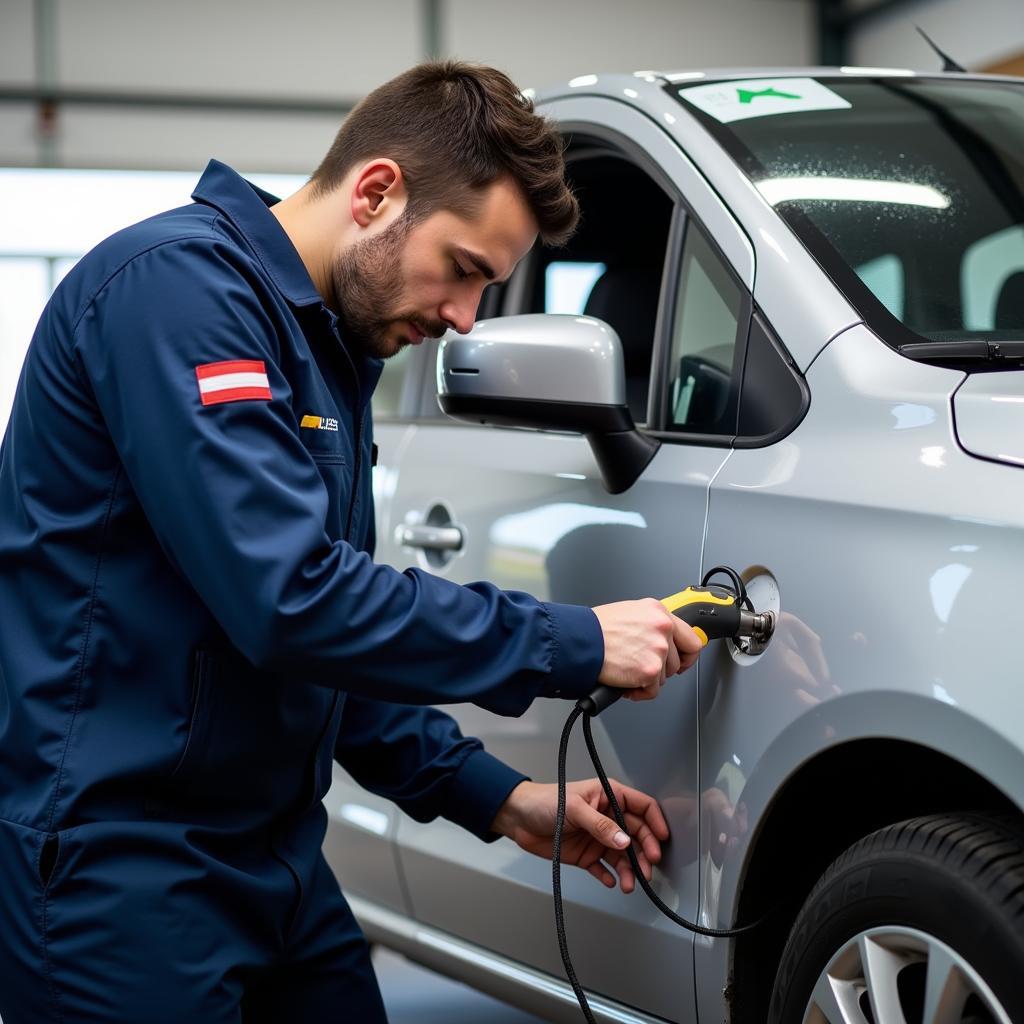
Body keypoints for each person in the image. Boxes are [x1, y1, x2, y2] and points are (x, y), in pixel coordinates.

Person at [0, 61, 704, 1023]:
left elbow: (325, 655)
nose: (463, 317)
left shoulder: (328, 348)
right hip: (120, 868)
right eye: (463, 270)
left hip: (275, 859)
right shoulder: (177, 293)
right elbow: (291, 601)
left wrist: (500, 799)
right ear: (377, 192)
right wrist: (575, 642)